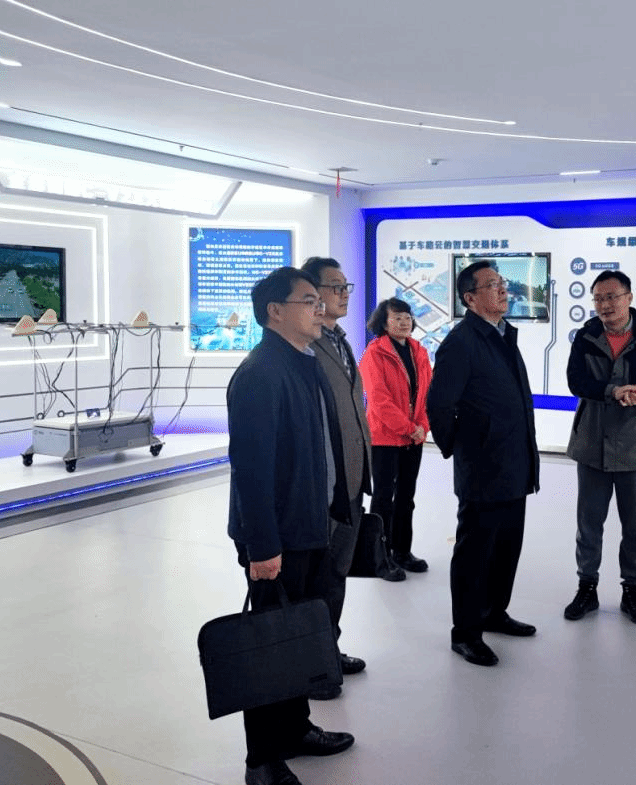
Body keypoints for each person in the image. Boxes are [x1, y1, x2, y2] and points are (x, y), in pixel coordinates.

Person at [226, 266, 354, 785]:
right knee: (271, 648)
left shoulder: (303, 363)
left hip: (312, 525)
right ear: (274, 312)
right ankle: (262, 761)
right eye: (308, 301)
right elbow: (251, 469)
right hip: (278, 538)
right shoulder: (260, 373)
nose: (319, 308)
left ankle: (296, 729)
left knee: (300, 639)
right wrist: (263, 546)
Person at [427, 261, 540, 667]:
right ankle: (466, 632)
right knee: (475, 554)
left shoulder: (503, 334)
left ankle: (494, 612)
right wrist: (466, 448)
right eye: (492, 285)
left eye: (502, 282)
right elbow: (439, 405)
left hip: (515, 461)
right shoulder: (461, 342)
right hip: (484, 467)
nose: (503, 290)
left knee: (507, 547)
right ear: (470, 298)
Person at [301, 256, 395, 702]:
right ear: (311, 293)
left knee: (336, 575)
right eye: (334, 286)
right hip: (324, 487)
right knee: (314, 580)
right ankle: (311, 668)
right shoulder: (305, 347)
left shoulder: (339, 340)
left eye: (346, 286)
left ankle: (328, 651)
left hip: (352, 482)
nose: (343, 294)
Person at [562, 270, 636, 625]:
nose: (604, 305)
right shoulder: (586, 337)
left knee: (635, 527)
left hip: (634, 445)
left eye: (611, 297)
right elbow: (575, 382)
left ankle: (632, 591)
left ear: (629, 297)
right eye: (598, 299)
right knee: (588, 524)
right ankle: (587, 588)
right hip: (591, 443)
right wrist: (611, 391)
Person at [359, 298, 433, 574]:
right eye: (397, 318)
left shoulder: (418, 351)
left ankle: (402, 551)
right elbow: (379, 400)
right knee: (382, 497)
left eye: (407, 317)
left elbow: (427, 394)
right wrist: (408, 427)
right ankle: (379, 557)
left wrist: (422, 426)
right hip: (385, 438)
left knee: (406, 497)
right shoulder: (374, 354)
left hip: (413, 438)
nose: (404, 322)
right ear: (384, 323)